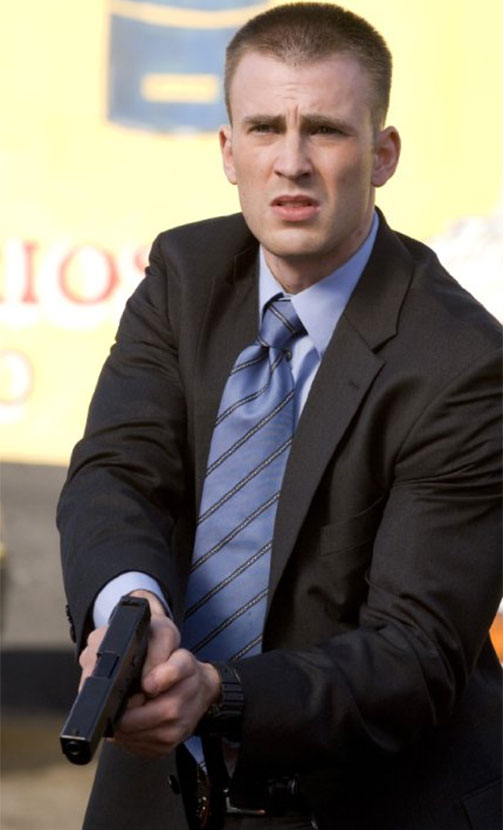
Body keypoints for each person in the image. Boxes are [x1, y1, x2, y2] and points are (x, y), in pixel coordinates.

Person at [57, 3, 502, 829]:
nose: (290, 163)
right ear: (229, 151)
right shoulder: (184, 273)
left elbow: (416, 651)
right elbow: (118, 473)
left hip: (371, 800)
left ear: (382, 154)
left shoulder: (464, 362)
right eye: (265, 128)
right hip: (157, 788)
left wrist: (217, 695)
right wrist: (131, 611)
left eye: (324, 131)